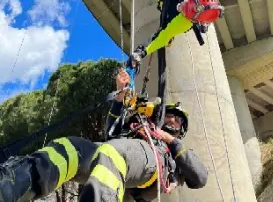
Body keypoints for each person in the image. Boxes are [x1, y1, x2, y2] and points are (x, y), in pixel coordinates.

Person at [0, 68, 208, 201]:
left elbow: (200, 177)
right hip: (118, 165)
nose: (172, 120)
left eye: (178, 120)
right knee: (71, 147)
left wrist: (170, 141)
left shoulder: (170, 148)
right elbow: (112, 133)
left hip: (151, 164)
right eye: (169, 115)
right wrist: (120, 97)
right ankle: (11, 186)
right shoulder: (139, 129)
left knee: (114, 152)